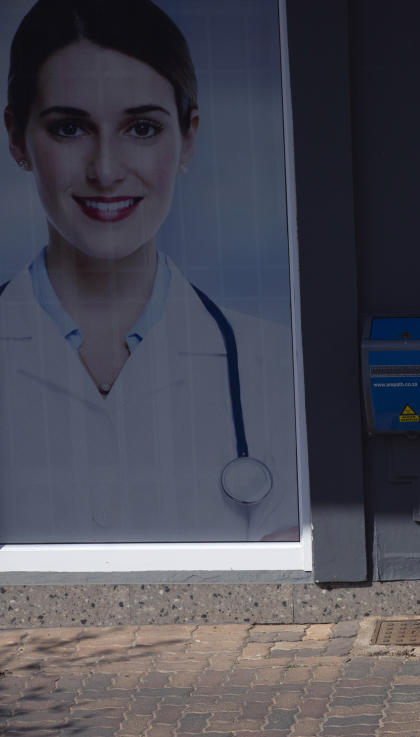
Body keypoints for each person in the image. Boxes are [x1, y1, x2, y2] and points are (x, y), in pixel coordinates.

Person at [0, 0, 298, 543]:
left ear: (188, 138)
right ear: (17, 139)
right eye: (69, 128)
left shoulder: (272, 367)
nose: (106, 169)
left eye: (141, 128)